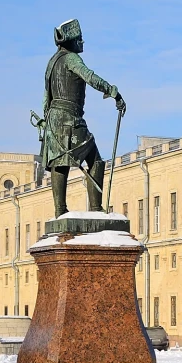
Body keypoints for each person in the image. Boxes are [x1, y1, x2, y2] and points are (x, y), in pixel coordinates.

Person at [40, 19, 126, 217]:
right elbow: (89, 76)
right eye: (79, 38)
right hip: (70, 118)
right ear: (71, 41)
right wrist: (113, 91)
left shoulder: (51, 62)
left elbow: (46, 97)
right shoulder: (71, 59)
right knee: (95, 160)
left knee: (59, 162)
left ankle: (60, 210)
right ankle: (95, 209)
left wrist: (47, 122)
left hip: (54, 119)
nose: (82, 42)